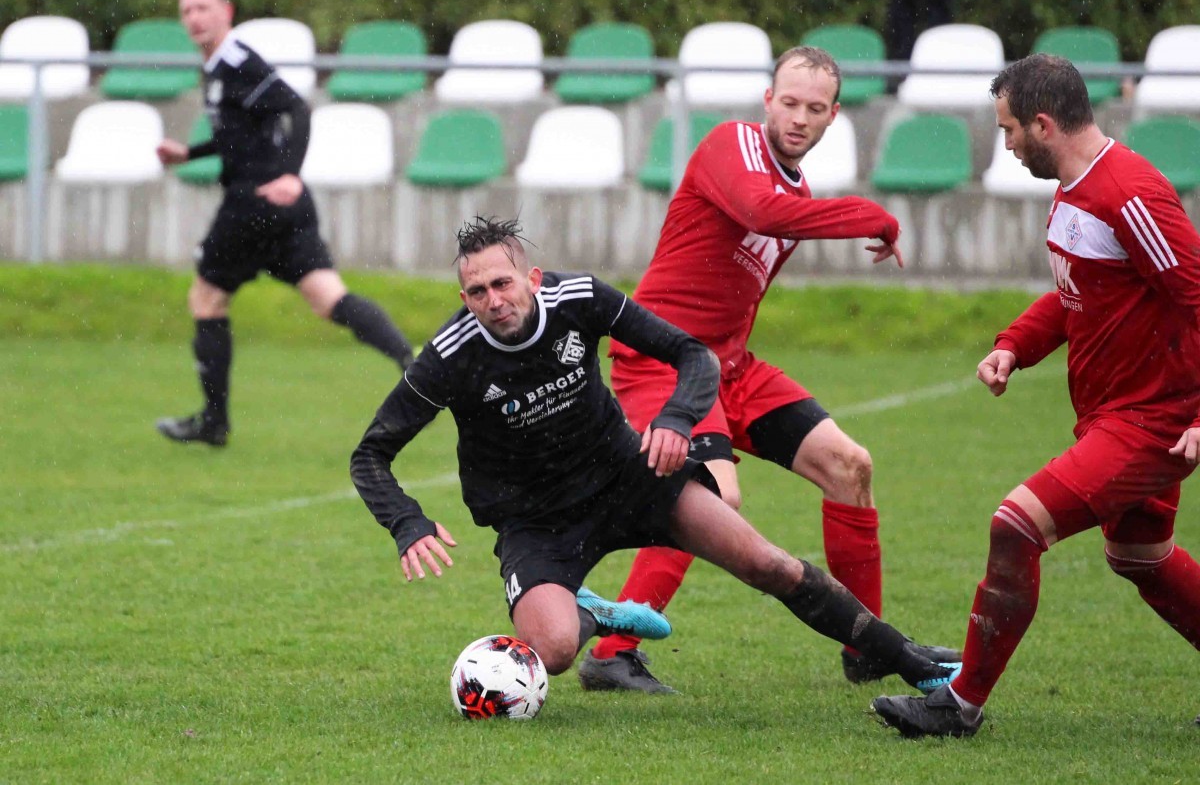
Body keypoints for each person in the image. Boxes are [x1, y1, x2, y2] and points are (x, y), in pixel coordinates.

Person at [349, 216, 960, 694]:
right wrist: (408, 523)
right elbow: (370, 454)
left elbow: (694, 355)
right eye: (477, 291)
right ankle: (593, 613)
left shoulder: (581, 299)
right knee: (555, 652)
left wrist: (673, 419)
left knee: (768, 564)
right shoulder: (449, 357)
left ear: (532, 279)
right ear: (464, 295)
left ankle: (914, 666)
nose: (494, 300)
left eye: (503, 283)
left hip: (630, 478)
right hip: (535, 520)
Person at [578, 45, 957, 694]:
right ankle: (612, 651)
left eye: (815, 108)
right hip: (666, 355)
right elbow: (764, 213)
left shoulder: (800, 190)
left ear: (834, 115)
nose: (799, 117)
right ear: (767, 100)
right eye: (789, 102)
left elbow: (746, 278)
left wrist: (731, 377)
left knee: (850, 465)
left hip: (729, 365)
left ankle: (865, 645)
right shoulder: (733, 146)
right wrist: (871, 214)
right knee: (711, 496)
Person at [872, 54, 1200, 738]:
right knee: (1138, 557)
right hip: (1111, 416)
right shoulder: (1077, 188)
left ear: (1044, 124)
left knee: (1015, 524)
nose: (1009, 145)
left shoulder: (1130, 195)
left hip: (1151, 420)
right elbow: (1079, 293)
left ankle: (959, 703)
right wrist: (1014, 345)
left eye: (1011, 130)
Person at [155, 0, 415, 447]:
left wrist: (291, 174)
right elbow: (239, 137)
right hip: (284, 207)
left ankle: (214, 422)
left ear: (226, 12)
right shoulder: (217, 66)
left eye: (202, 8)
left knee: (207, 299)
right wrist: (188, 155)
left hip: (254, 203)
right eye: (186, 10)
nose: (194, 17)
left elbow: (298, 107)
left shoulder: (236, 60)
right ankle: (413, 365)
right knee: (329, 297)